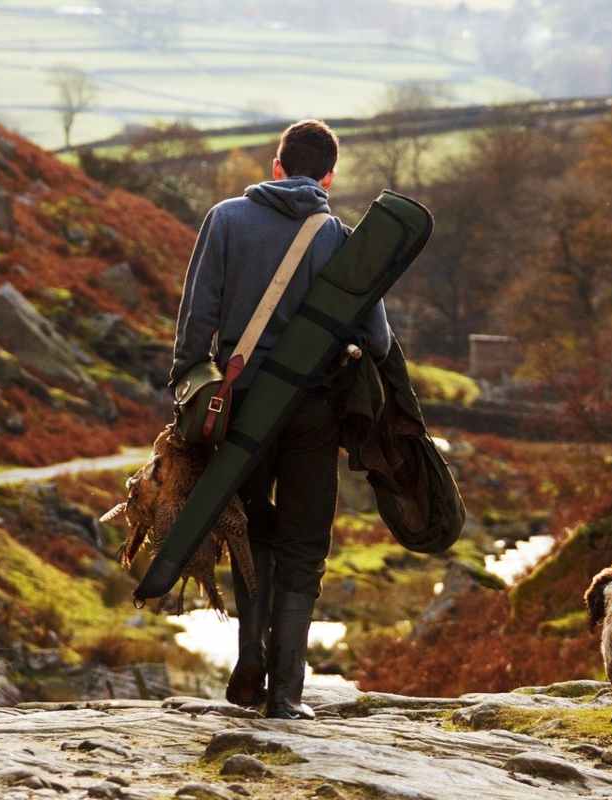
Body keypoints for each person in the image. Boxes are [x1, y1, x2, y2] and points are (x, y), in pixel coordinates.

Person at [168, 119, 391, 720]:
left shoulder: (224, 219)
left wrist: (191, 394)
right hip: (313, 411)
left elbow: (196, 321)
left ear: (275, 166)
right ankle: (286, 693)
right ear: (328, 177)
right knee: (303, 544)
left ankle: (249, 659)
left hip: (239, 407)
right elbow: (376, 337)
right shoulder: (341, 239)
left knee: (249, 532)